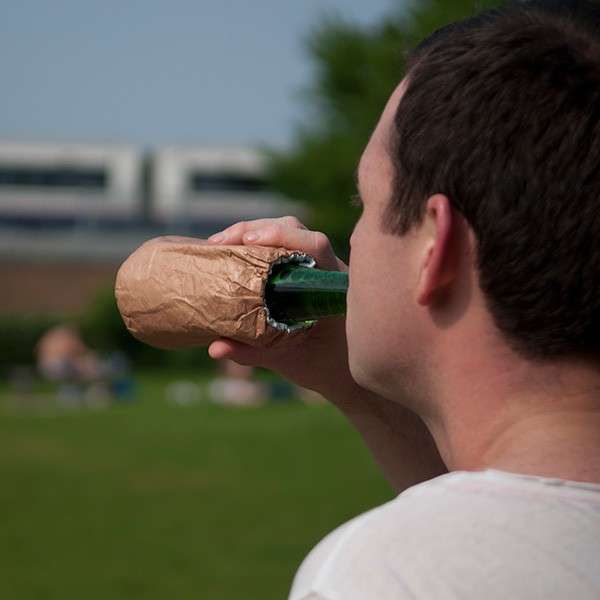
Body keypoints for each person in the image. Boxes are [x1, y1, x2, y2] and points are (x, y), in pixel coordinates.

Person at [207, 1, 600, 598]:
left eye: (363, 204)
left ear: (434, 246)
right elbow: (526, 510)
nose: (352, 242)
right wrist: (355, 383)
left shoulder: (380, 576)